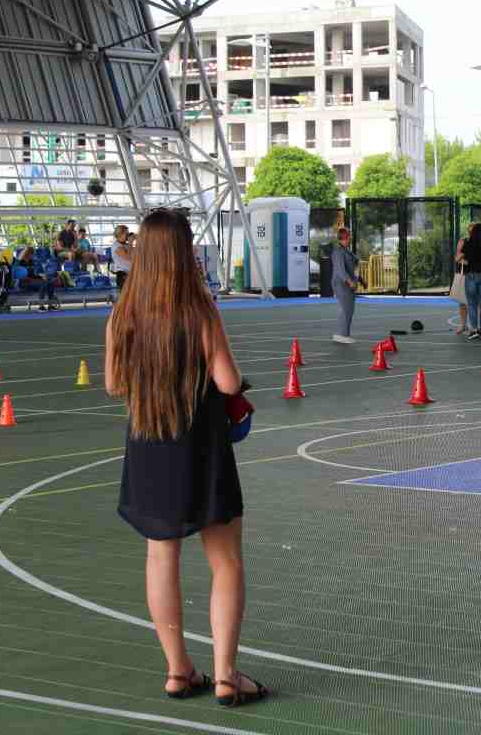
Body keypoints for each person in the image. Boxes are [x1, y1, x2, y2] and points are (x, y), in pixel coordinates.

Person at [106, 209, 268, 707]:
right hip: (201, 447)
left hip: (149, 443)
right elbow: (227, 382)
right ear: (182, 252)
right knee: (226, 561)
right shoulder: (199, 312)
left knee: (161, 557)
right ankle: (226, 677)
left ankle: (178, 671)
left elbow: (114, 384)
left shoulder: (123, 315)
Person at [330, 227, 365, 344]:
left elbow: (353, 267)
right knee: (346, 308)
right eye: (349, 235)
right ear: (344, 237)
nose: (350, 238)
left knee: (348, 308)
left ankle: (343, 334)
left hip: (348, 284)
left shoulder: (346, 251)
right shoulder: (338, 252)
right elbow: (340, 270)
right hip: (341, 284)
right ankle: (342, 334)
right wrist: (350, 282)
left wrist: (360, 280)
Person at [460, 222, 481, 341]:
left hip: (472, 275)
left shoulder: (468, 244)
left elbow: (459, 257)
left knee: (472, 304)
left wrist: (464, 261)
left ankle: (474, 330)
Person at [113, 225, 134, 291]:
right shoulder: (116, 246)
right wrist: (131, 243)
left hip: (130, 273)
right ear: (120, 235)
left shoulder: (126, 245)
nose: (128, 236)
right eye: (126, 234)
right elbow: (128, 257)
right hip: (123, 275)